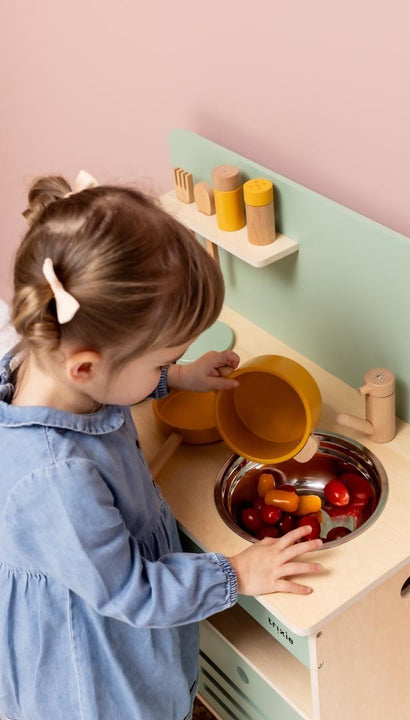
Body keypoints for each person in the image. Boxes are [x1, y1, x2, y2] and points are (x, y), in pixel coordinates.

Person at [0, 173, 324, 720]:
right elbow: (135, 593)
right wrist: (238, 574)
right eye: (159, 361)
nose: (163, 369)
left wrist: (179, 375)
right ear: (86, 364)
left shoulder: (46, 365)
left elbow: (111, 382)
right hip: (99, 672)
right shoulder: (58, 479)